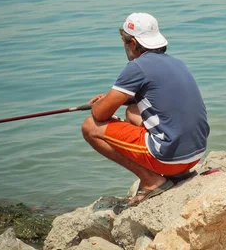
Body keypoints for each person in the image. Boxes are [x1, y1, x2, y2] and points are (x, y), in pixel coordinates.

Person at [82, 12, 209, 206]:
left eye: (124, 42)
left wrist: (101, 104)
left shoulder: (136, 67)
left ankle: (151, 180)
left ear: (132, 42)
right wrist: (111, 99)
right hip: (195, 154)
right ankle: (178, 173)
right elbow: (154, 96)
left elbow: (99, 114)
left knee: (90, 126)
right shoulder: (176, 62)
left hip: (170, 157)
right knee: (132, 110)